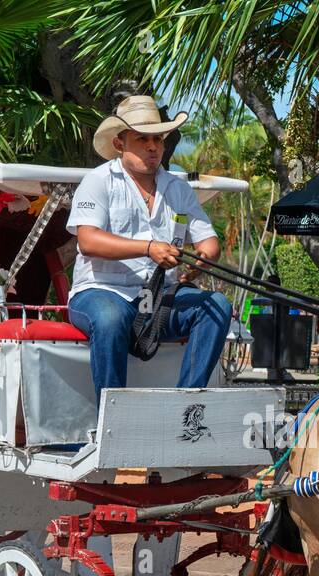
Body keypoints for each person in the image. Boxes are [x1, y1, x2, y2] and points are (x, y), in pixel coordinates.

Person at [66, 95, 230, 401]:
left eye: (158, 139)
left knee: (217, 306)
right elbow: (88, 240)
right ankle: (111, 418)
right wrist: (149, 247)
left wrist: (201, 261)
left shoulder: (179, 189)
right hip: (101, 291)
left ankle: (186, 405)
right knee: (111, 318)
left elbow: (208, 241)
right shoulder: (98, 181)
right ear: (119, 144)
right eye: (142, 139)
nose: (153, 146)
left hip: (158, 298)